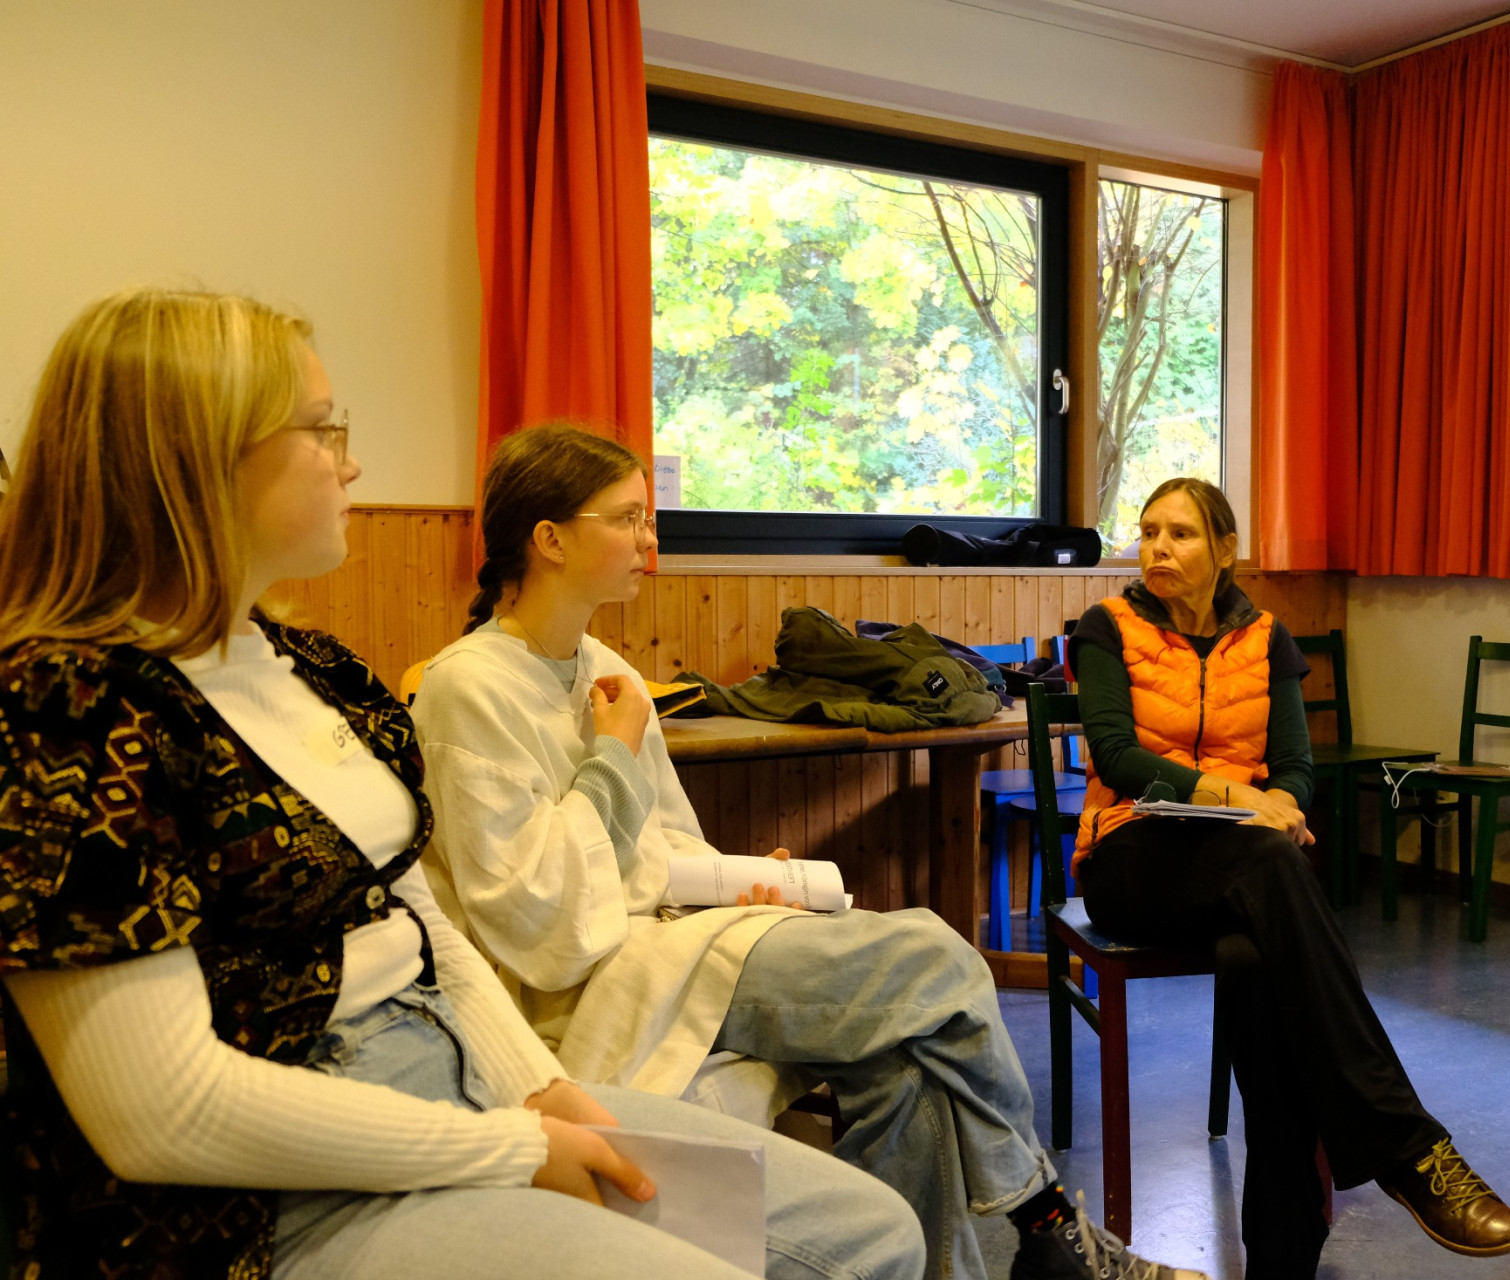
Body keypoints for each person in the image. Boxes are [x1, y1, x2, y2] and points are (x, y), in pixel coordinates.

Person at [0, 287, 929, 1280]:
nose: (351, 461)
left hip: (451, 1070)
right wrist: (513, 1148)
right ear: (195, 459)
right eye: (321, 429)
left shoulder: (309, 667)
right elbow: (163, 1114)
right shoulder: (68, 708)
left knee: (868, 1232)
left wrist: (540, 1089)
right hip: (265, 1196)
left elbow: (420, 920)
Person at [407, 423, 1206, 1280]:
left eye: (648, 518)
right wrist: (609, 758)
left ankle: (1020, 1253)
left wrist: (738, 881)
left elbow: (661, 843)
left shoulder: (607, 671)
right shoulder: (468, 688)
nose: (650, 540)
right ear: (550, 539)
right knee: (937, 956)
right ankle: (1047, 1229)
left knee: (905, 1072)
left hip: (672, 934)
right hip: (589, 978)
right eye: (628, 518)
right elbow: (535, 919)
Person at [1066, 477, 1510, 1279]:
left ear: (1226, 549)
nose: (1158, 548)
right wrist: (1242, 800)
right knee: (1273, 862)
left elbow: (1295, 765)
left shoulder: (1267, 638)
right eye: (1148, 532)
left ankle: (1284, 1258)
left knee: (1254, 959)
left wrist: (1279, 802)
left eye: (1180, 533)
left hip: (1240, 865)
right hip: (1131, 857)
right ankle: (1409, 1148)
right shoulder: (1108, 627)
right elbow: (1117, 756)